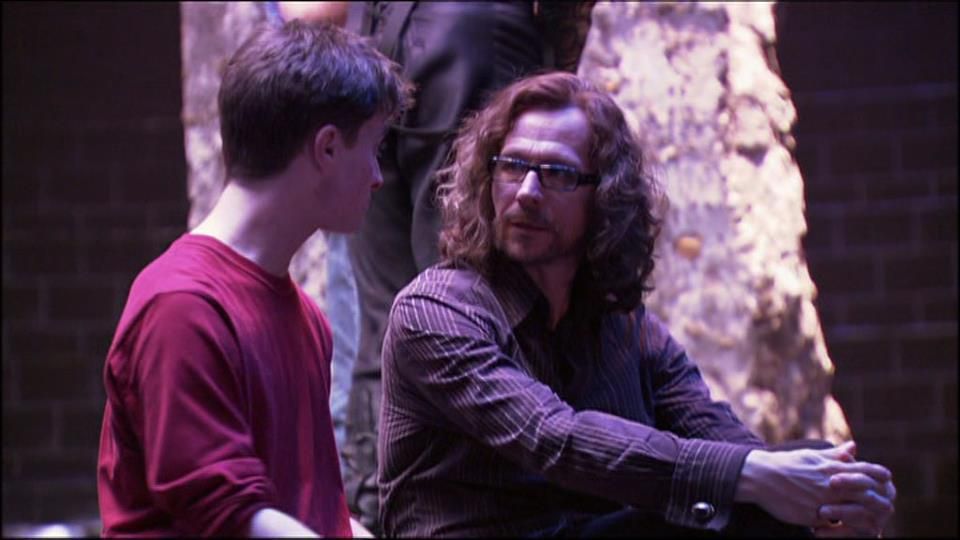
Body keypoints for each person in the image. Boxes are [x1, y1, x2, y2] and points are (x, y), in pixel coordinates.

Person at [378, 72, 897, 537]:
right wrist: (758, 480)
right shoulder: (435, 312)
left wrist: (828, 493)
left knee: (791, 471)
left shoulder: (623, 324)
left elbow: (719, 436)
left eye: (557, 173)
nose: (528, 192)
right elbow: (555, 439)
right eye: (513, 166)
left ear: (604, 196)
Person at [96, 19, 411, 537]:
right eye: (374, 149)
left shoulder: (307, 319)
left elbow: (310, 513)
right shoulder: (182, 308)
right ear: (327, 148)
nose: (378, 176)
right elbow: (229, 515)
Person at [338, 2, 596, 532]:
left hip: (370, 43)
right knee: (472, 305)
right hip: (477, 35)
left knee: (387, 315)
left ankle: (374, 512)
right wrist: (555, 72)